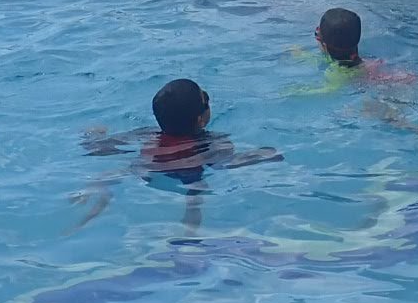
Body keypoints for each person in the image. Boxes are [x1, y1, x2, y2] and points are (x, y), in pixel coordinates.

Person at [75, 78, 279, 230]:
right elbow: (229, 162)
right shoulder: (212, 142)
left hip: (147, 169)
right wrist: (263, 155)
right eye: (205, 99)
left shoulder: (148, 134)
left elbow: (99, 149)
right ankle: (189, 229)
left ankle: (94, 201)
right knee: (195, 197)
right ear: (201, 119)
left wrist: (93, 135)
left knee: (117, 173)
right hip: (190, 174)